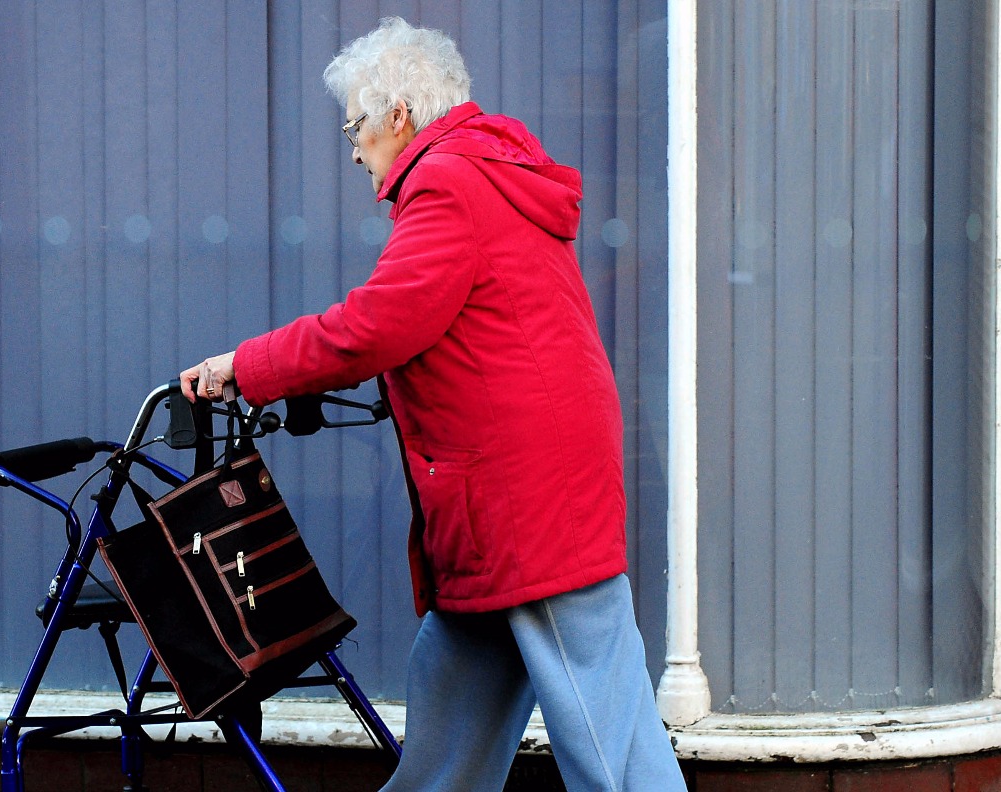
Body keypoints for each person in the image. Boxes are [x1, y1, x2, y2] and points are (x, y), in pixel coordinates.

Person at [180, 17, 686, 792]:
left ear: (398, 116)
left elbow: (376, 328)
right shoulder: (490, 171)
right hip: (517, 492)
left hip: (526, 503)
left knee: (605, 735)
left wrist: (241, 367)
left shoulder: (447, 182)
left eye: (355, 126)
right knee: (453, 719)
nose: (353, 150)